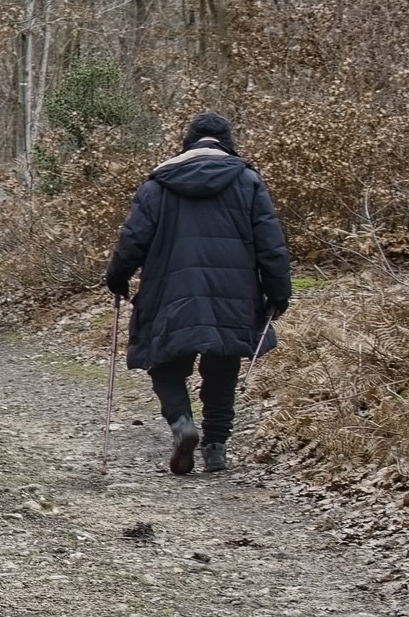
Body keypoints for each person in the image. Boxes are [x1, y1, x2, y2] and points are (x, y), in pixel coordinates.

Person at [104, 111, 292, 475]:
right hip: (233, 293)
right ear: (228, 142)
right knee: (223, 368)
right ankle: (216, 446)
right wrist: (278, 292)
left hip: (168, 290)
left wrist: (117, 277)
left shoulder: (157, 185)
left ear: (187, 143)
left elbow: (133, 240)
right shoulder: (248, 181)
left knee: (165, 364)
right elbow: (271, 244)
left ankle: (182, 424)